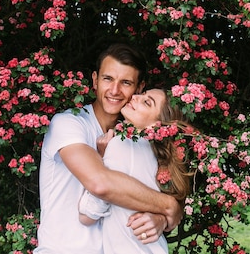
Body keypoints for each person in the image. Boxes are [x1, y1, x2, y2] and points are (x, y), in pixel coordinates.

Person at [34, 44, 183, 254]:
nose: (114, 90)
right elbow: (100, 183)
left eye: (126, 82)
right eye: (107, 79)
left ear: (139, 88)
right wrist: (169, 207)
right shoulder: (68, 124)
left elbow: (143, 194)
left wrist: (161, 218)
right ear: (95, 80)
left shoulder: (136, 142)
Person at [77, 89, 193, 253]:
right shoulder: (157, 160)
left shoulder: (123, 144)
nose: (135, 97)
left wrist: (100, 162)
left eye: (147, 102)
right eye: (142, 94)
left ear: (157, 125)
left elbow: (87, 216)